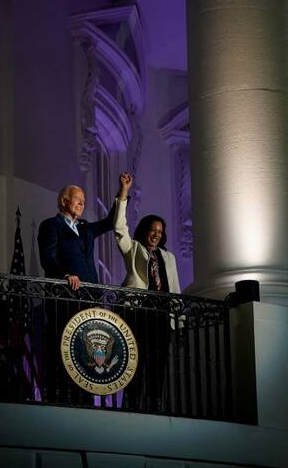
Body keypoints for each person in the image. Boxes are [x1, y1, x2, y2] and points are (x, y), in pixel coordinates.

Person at [37, 179, 122, 404]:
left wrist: (122, 192)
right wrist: (65, 274)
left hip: (89, 297)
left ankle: (84, 399)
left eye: (84, 201)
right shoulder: (51, 225)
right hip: (64, 297)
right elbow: (47, 257)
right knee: (63, 347)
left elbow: (109, 222)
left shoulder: (85, 228)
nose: (82, 204)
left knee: (85, 349)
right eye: (78, 199)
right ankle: (60, 398)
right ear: (64, 201)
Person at [113, 171, 179, 411]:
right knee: (136, 361)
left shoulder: (168, 257)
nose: (156, 235)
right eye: (153, 230)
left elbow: (174, 288)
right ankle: (130, 405)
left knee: (158, 363)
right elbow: (119, 228)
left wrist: (178, 322)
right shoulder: (133, 249)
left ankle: (154, 405)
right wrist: (124, 193)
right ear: (144, 230)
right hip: (137, 313)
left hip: (161, 317)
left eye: (160, 232)